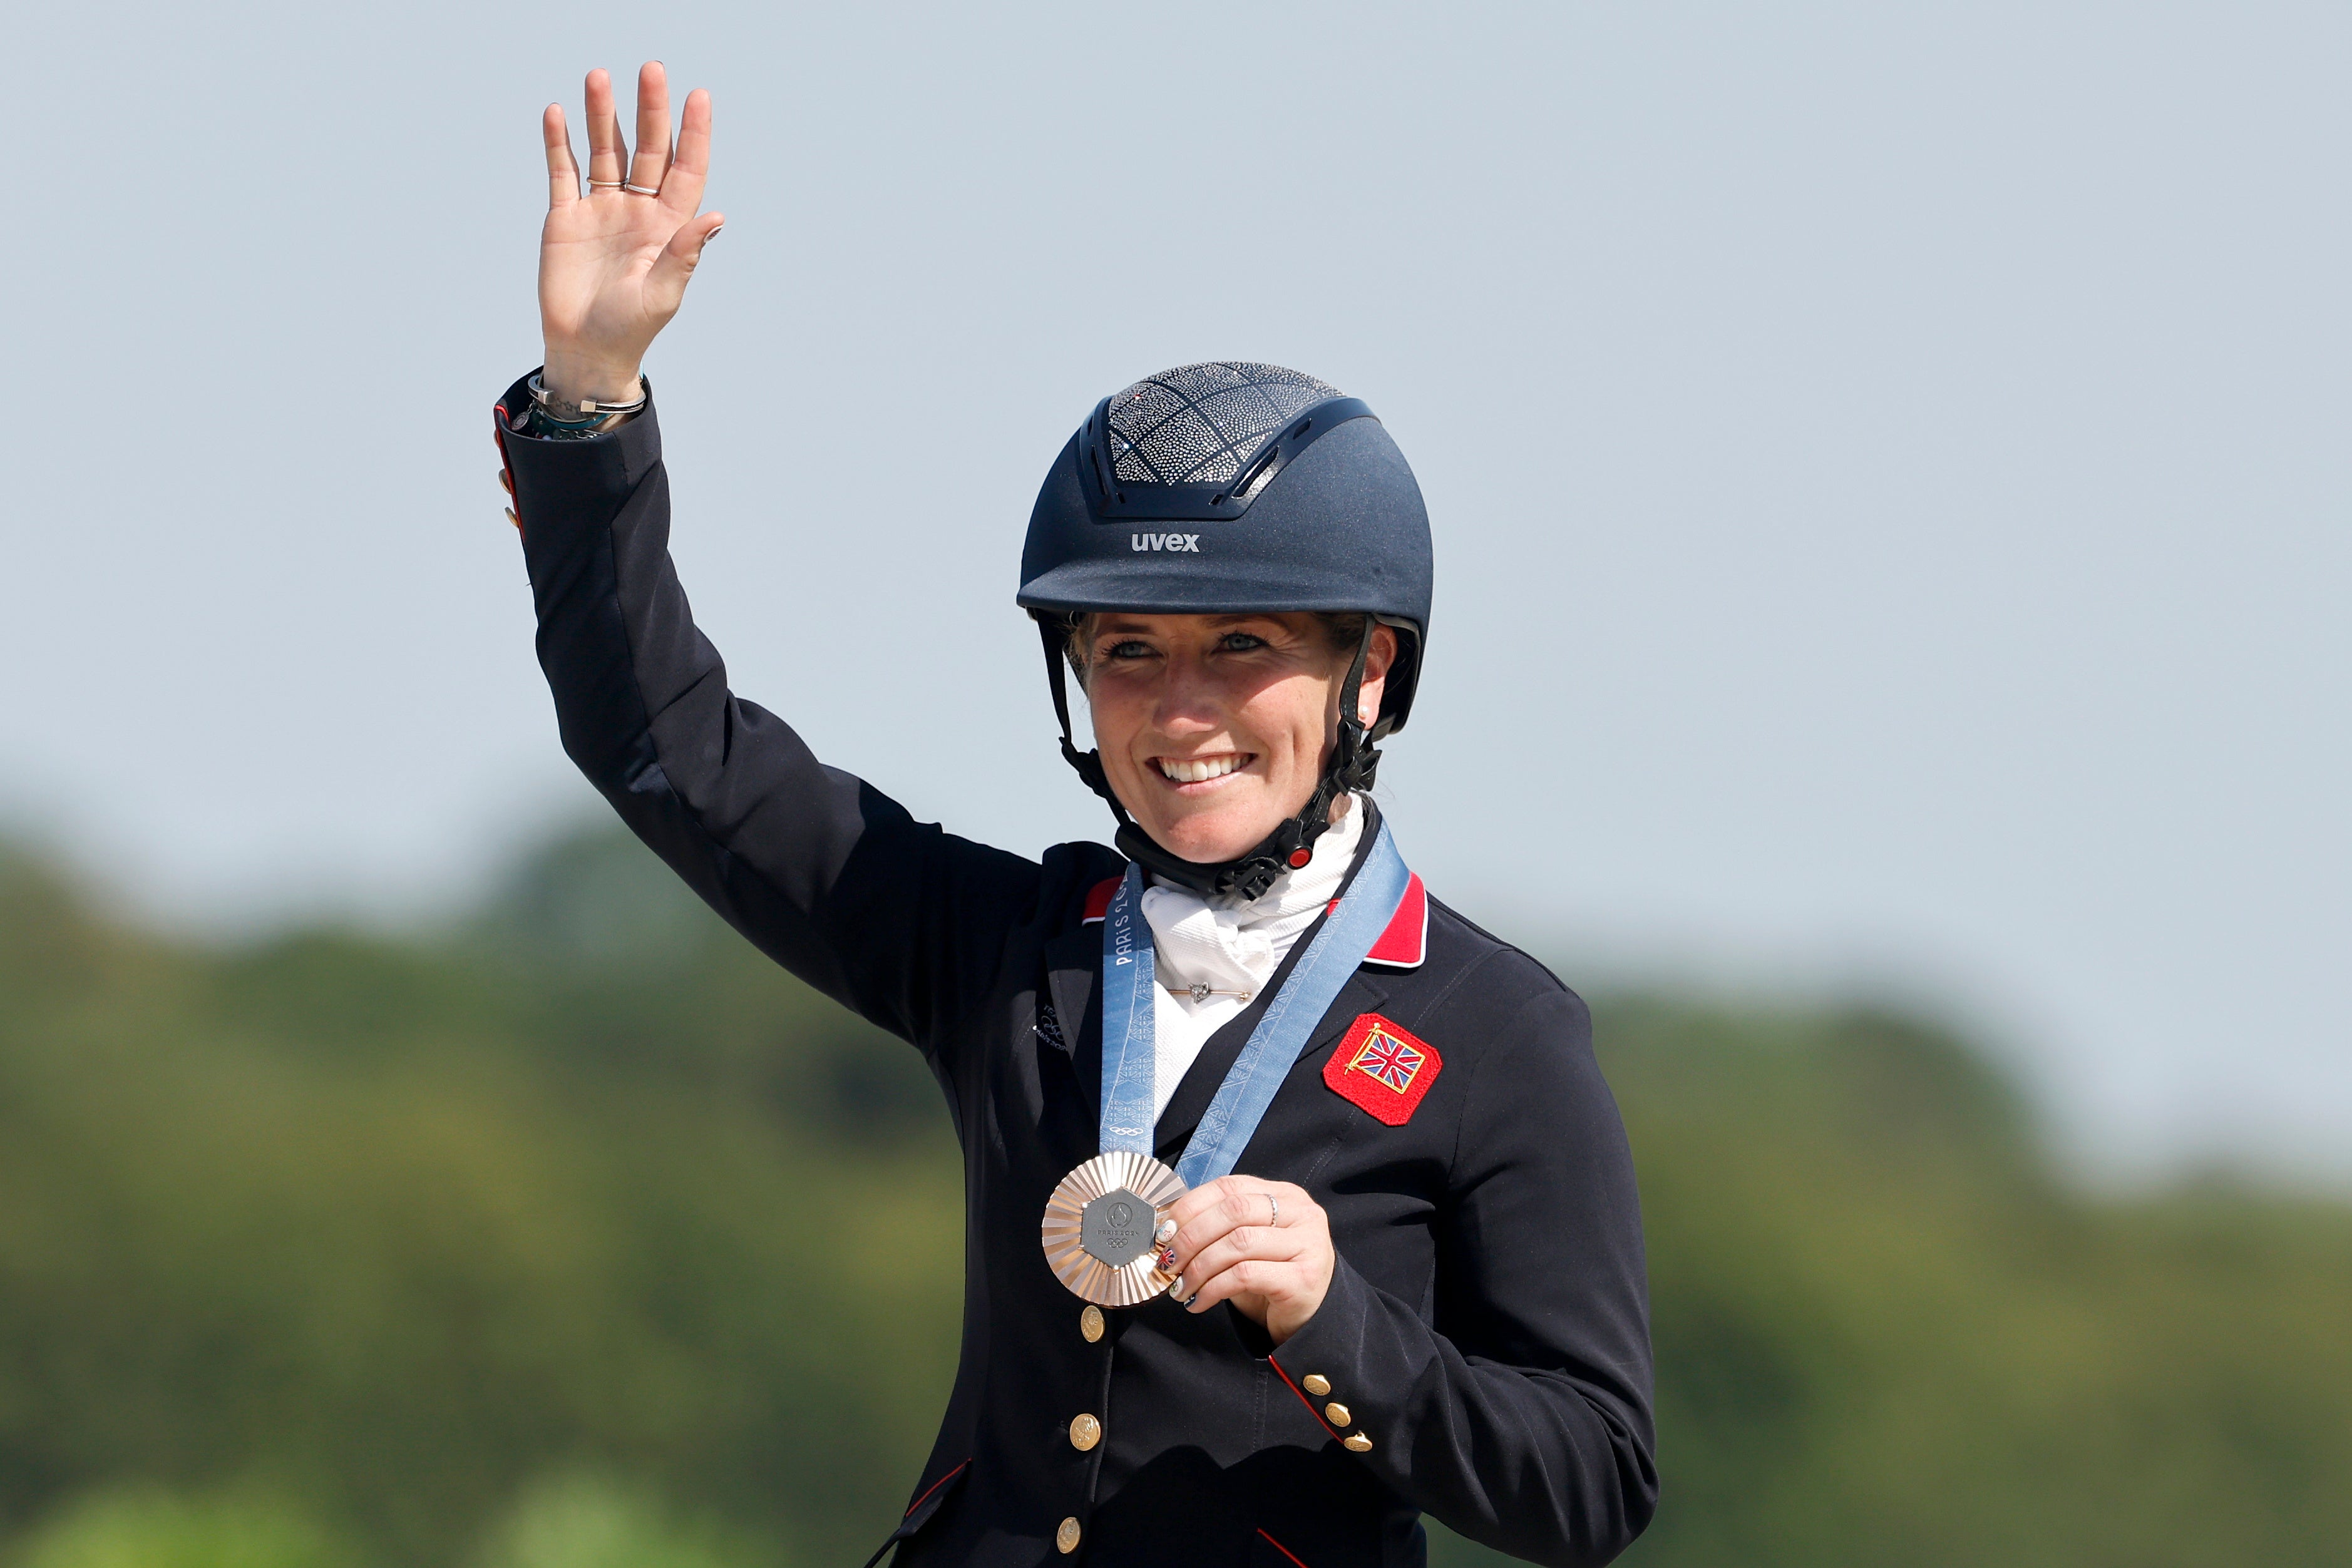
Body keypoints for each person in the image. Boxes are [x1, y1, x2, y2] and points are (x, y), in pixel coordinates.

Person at [495, 62, 1656, 1568]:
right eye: (1128, 652)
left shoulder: (1496, 1030)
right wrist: (591, 399)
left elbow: (1590, 1484)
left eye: (1242, 648)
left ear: (1369, 670)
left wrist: (1339, 1320)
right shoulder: (1007, 950)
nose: (1179, 712)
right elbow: (664, 743)